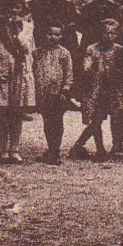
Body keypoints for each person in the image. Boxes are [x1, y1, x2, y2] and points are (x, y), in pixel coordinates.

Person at [71, 17, 123, 161]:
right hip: (97, 89)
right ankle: (99, 148)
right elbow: (86, 67)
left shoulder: (119, 50)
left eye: (113, 33)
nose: (109, 36)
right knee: (96, 121)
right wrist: (91, 68)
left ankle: (116, 146)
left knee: (118, 119)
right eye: (106, 33)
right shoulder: (92, 49)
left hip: (114, 89)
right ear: (100, 34)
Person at [0, 12, 35, 164]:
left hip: (20, 76)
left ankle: (15, 149)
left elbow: (30, 53)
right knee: (2, 114)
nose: (14, 16)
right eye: (10, 11)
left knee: (17, 115)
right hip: (1, 77)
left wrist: (18, 36)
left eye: (18, 11)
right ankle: (3, 149)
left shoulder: (27, 30)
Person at [32, 24, 77, 165]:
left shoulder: (64, 53)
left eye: (58, 35)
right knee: (47, 121)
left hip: (58, 93)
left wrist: (65, 89)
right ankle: (51, 148)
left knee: (57, 121)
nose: (54, 38)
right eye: (51, 34)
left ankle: (55, 150)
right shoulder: (37, 53)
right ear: (45, 35)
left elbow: (69, 73)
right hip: (43, 92)